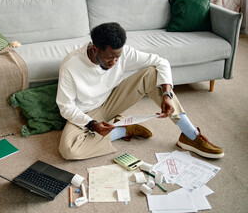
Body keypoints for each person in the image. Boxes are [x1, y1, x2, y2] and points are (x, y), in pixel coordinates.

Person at [56, 22, 224, 160]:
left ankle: (190, 135)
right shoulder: (72, 64)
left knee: (151, 73)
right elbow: (65, 106)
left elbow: (161, 62)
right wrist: (92, 124)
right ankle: (123, 130)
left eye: (118, 57)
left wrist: (166, 94)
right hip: (85, 112)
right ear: (95, 49)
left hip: (110, 101)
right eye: (109, 58)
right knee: (69, 151)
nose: (114, 62)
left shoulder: (123, 53)